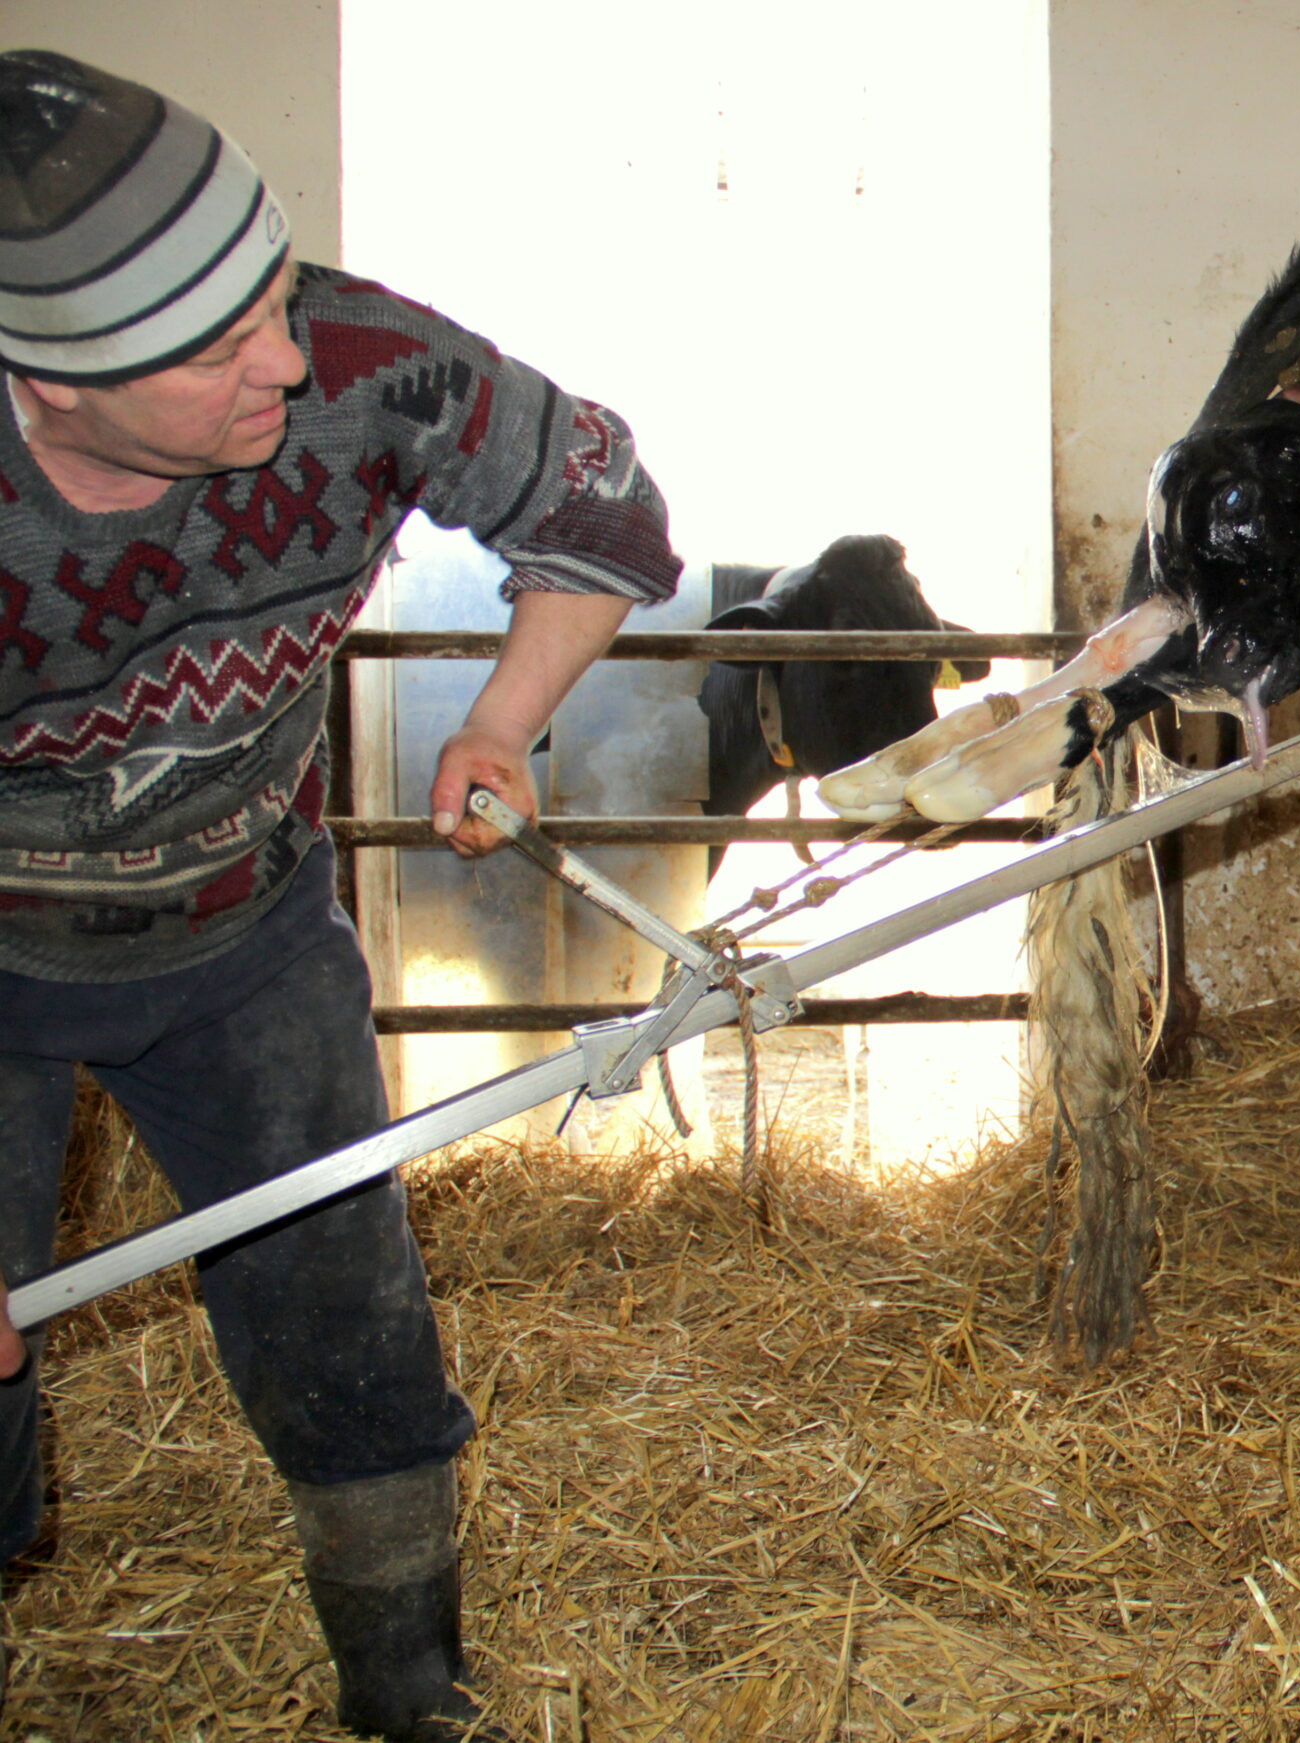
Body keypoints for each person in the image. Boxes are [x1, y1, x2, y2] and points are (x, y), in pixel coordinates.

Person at [0, 50, 683, 1740]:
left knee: (347, 1314)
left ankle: (405, 1691)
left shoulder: (355, 361)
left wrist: (505, 720)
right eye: (219, 347)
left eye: (274, 301)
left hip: (246, 935)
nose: (286, 361)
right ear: (53, 381)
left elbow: (602, 497)